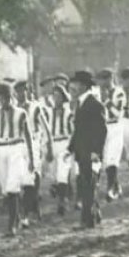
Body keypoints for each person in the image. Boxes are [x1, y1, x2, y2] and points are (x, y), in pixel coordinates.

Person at [0, 82, 35, 237]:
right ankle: (18, 216)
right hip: (1, 149)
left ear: (10, 97)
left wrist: (31, 158)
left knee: (12, 186)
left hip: (17, 148)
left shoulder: (21, 113)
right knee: (6, 189)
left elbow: (28, 135)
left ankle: (12, 224)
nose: (2, 101)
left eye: (4, 97)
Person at [68, 70, 107, 230]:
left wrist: (96, 152)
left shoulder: (94, 105)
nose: (72, 87)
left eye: (75, 84)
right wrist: (70, 148)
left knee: (88, 186)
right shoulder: (81, 103)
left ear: (83, 86)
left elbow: (101, 130)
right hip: (81, 152)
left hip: (91, 154)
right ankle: (94, 214)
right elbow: (78, 131)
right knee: (85, 185)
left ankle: (87, 221)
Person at [14, 80, 52, 227]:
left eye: (23, 91)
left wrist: (49, 147)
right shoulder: (14, 108)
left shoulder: (35, 107)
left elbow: (46, 128)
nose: (20, 94)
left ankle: (25, 213)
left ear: (29, 91)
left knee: (32, 177)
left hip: (34, 143)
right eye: (18, 92)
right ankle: (34, 209)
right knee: (24, 179)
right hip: (19, 145)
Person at [97, 68, 126, 200]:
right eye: (101, 79)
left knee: (112, 158)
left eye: (106, 79)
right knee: (105, 159)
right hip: (102, 128)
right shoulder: (97, 93)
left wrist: (107, 101)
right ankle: (116, 186)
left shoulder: (119, 93)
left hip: (115, 127)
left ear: (111, 78)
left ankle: (110, 189)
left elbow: (118, 113)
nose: (103, 82)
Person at [47, 84, 74, 215]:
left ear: (64, 98)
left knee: (62, 173)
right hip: (52, 143)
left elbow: (74, 131)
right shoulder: (48, 113)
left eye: (59, 96)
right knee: (54, 174)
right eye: (54, 96)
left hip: (65, 142)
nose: (56, 99)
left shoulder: (69, 113)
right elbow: (45, 131)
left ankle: (62, 202)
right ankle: (64, 191)